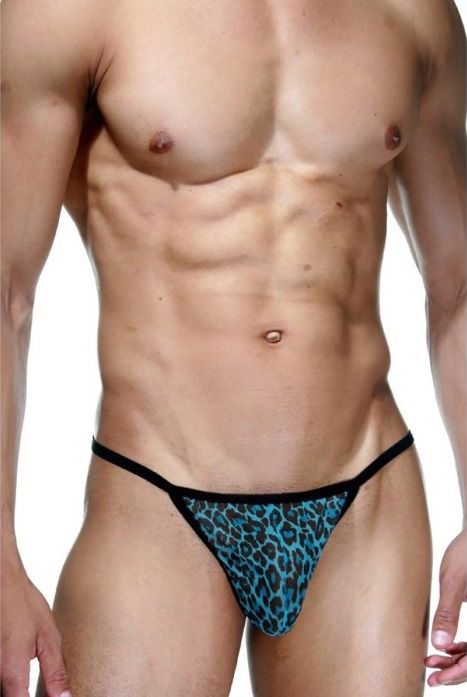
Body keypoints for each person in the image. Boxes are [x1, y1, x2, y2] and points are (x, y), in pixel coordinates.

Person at [1, 0, 466, 695]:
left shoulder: (413, 14)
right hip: (156, 495)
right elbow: (7, 291)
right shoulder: (70, 12)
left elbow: (457, 284)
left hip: (365, 494)